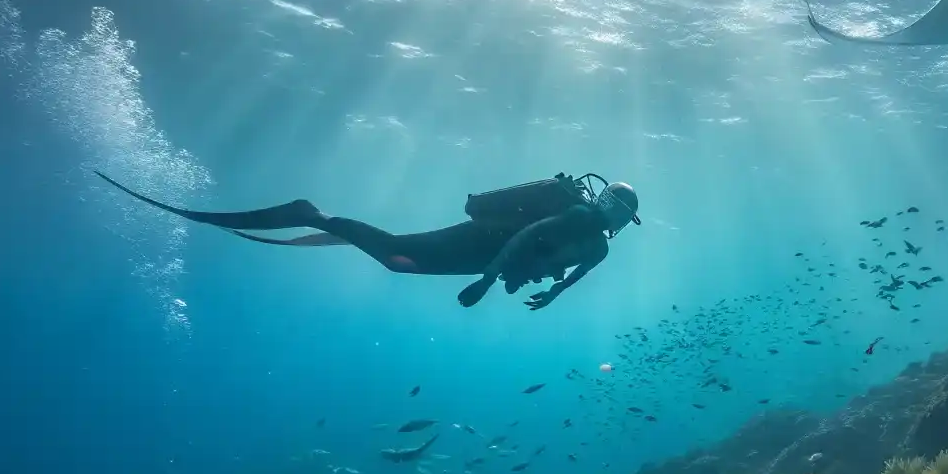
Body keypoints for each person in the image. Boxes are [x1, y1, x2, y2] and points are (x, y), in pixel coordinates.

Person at [93, 171, 640, 310]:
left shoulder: (599, 246)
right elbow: (528, 237)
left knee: (402, 257)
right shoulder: (572, 217)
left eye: (616, 214)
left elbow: (576, 276)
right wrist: (488, 279)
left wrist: (552, 294)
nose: (609, 219)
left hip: (485, 257)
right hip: (484, 245)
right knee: (401, 256)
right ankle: (312, 214)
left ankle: (334, 225)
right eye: (612, 208)